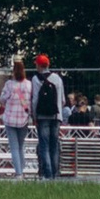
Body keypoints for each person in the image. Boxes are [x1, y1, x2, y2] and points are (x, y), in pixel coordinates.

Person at [31, 54, 66, 182]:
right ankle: (55, 174)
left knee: (44, 145)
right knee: (54, 145)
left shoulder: (36, 79)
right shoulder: (57, 78)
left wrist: (34, 116)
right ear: (48, 64)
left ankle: (47, 174)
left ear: (38, 65)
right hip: (56, 116)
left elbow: (35, 99)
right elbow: (62, 100)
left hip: (42, 116)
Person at [0, 63, 32, 178]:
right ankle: (22, 169)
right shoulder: (29, 84)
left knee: (14, 147)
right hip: (24, 118)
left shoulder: (9, 84)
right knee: (21, 145)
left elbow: (2, 99)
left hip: (10, 119)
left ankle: (18, 173)